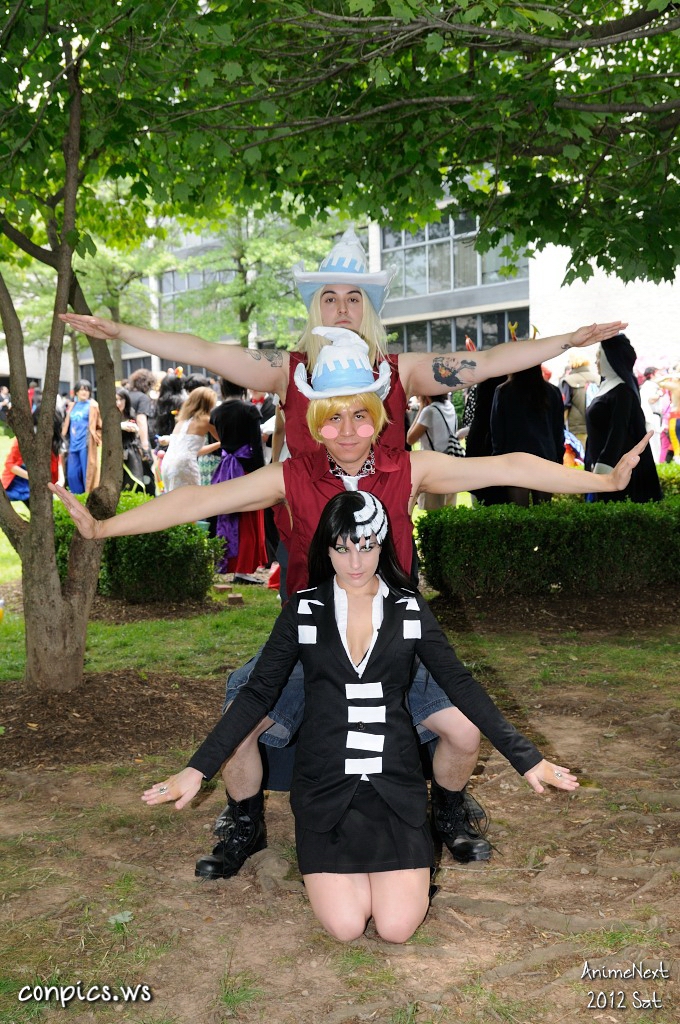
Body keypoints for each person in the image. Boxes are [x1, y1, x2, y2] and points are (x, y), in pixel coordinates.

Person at [51, 328, 651, 878]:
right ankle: (245, 821)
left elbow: (507, 464)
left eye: (359, 416)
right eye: (332, 417)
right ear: (314, 422)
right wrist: (105, 528)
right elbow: (199, 502)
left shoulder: (408, 468)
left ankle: (447, 808)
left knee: (465, 730)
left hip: (397, 640)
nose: (346, 431)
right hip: (311, 639)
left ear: (377, 416)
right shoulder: (292, 476)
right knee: (239, 717)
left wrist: (602, 481)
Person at [142, 491, 579, 943]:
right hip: (324, 787)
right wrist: (198, 769)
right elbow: (256, 695)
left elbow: (461, 685)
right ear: (327, 549)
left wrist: (527, 758)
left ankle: (404, 860)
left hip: (395, 786)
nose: (355, 562)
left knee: (396, 928)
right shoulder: (304, 610)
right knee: (346, 926)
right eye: (342, 548)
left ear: (381, 545)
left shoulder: (409, 609)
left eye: (366, 547)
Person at [58, 228, 628, 462]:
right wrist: (122, 331)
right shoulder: (287, 369)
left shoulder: (402, 369)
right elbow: (204, 350)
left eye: (354, 298)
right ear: (316, 309)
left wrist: (566, 341)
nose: (342, 309)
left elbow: (489, 361)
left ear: (368, 309)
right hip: (311, 541)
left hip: (384, 547)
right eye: (329, 298)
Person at [585, 336, 661, 503]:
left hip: (616, 470)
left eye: (599, 356)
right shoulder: (608, 387)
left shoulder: (622, 392)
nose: (596, 362)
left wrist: (602, 471)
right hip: (603, 466)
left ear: (610, 358)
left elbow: (617, 433)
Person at [209, 379, 268, 582]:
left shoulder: (216, 413)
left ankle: (229, 564)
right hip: (246, 469)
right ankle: (243, 569)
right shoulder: (249, 410)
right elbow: (256, 446)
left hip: (225, 470)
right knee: (247, 517)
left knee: (227, 516)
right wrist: (261, 474)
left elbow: (218, 443)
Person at [490, 365, 565, 506]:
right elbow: (558, 430)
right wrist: (559, 459)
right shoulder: (552, 391)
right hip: (545, 457)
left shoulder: (504, 391)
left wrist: (498, 461)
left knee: (519, 513)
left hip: (515, 459)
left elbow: (497, 431)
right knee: (544, 512)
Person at [159, 386, 219, 493]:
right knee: (192, 498)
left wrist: (218, 444)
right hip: (185, 464)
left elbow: (194, 451)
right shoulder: (205, 419)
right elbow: (223, 438)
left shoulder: (181, 422)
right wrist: (221, 443)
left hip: (167, 463)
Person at [406, 393, 459, 510]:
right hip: (451, 463)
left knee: (433, 509)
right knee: (448, 508)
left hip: (433, 467)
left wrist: (421, 408)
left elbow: (410, 439)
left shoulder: (429, 411)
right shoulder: (449, 406)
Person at [2, 406, 62, 506]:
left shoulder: (53, 441)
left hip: (40, 482)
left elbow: (57, 461)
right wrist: (33, 477)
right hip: (18, 482)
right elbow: (10, 464)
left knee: (45, 507)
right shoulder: (25, 439)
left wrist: (60, 479)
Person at [61, 380, 102, 494]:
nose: (84, 392)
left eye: (87, 390)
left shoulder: (93, 406)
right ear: (76, 392)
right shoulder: (72, 406)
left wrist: (96, 438)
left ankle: (88, 497)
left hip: (86, 445)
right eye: (82, 389)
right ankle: (77, 497)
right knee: (72, 475)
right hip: (72, 445)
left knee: (87, 475)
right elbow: (66, 424)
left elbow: (100, 426)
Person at [126, 368, 157, 494]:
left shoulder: (126, 395)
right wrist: (145, 445)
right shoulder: (143, 398)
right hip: (138, 441)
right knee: (146, 474)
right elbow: (141, 420)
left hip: (126, 442)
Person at [559, 354, 599, 448]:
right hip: (596, 425)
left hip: (577, 427)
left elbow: (566, 405)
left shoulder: (568, 380)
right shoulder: (597, 378)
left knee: (579, 453)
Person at [115, 387, 145, 492]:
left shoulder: (130, 413)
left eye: (121, 399)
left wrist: (135, 429)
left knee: (134, 481)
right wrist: (119, 426)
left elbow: (137, 434)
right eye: (116, 400)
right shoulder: (110, 416)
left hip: (131, 452)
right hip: (114, 453)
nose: (119, 403)